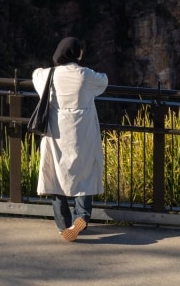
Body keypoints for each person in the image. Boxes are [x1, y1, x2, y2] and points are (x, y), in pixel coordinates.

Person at [32, 36, 108, 241]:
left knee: (57, 176)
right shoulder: (86, 76)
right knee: (85, 175)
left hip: (56, 135)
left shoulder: (48, 76)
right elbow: (104, 81)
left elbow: (35, 74)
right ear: (77, 54)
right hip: (83, 135)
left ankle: (63, 225)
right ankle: (80, 218)